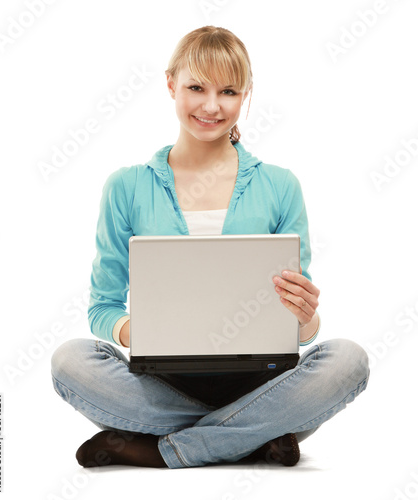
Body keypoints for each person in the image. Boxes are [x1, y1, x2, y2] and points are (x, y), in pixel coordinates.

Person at [51, 25, 370, 469]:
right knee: (70, 361)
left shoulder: (279, 185)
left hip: (262, 382)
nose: (211, 106)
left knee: (349, 360)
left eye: (229, 91)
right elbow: (102, 308)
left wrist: (306, 316)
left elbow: (302, 331)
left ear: (246, 96)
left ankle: (163, 448)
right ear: (170, 84)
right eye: (196, 87)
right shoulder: (127, 186)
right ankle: (252, 438)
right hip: (162, 384)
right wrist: (135, 332)